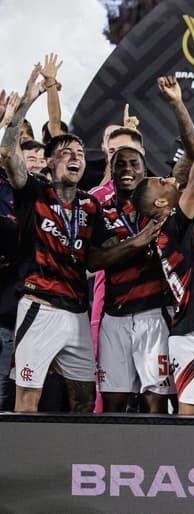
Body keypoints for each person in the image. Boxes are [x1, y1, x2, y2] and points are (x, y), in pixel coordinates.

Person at [1, 68, 109, 413]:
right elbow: (8, 156)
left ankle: (79, 466)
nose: (75, 156)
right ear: (48, 162)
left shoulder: (91, 205)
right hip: (39, 307)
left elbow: (98, 256)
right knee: (27, 399)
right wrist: (23, 109)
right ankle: (23, 467)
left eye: (79, 153)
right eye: (65, 153)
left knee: (84, 399)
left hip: (77, 311)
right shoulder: (34, 192)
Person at [132, 103, 194, 415]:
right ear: (160, 202)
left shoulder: (179, 229)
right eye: (163, 182)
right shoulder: (171, 227)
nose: (171, 180)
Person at [95, 146, 174, 413]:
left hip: (154, 313)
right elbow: (95, 260)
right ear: (111, 171)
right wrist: (138, 241)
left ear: (144, 171)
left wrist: (118, 249)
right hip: (114, 316)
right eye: (120, 164)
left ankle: (155, 455)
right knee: (113, 401)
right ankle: (111, 455)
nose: (127, 169)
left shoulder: (158, 207)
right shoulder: (101, 210)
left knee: (155, 399)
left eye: (133, 164)